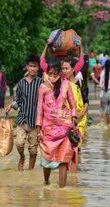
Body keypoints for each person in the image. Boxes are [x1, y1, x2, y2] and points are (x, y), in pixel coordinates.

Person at [36, 58, 77, 188]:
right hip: (48, 128)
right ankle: (46, 182)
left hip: (65, 129)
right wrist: (38, 126)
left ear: (60, 73)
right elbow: (39, 109)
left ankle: (62, 190)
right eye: (50, 74)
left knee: (64, 160)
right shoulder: (43, 87)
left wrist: (74, 118)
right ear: (47, 73)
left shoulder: (66, 85)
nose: (52, 77)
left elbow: (73, 104)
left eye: (55, 74)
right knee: (47, 158)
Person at [4, 53, 44, 171]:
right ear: (26, 67)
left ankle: (30, 171)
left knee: (33, 149)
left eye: (35, 66)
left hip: (35, 122)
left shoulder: (41, 83)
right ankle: (21, 157)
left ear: (38, 68)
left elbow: (45, 103)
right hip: (22, 119)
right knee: (19, 143)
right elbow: (19, 100)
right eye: (30, 66)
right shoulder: (21, 83)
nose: (32, 68)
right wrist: (11, 105)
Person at [62, 56, 86, 172]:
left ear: (73, 69)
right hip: (65, 120)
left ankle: (73, 177)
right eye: (63, 68)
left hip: (79, 121)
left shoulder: (80, 83)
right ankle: (67, 175)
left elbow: (86, 103)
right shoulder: (61, 84)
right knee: (66, 149)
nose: (64, 71)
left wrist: (79, 116)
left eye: (67, 68)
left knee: (75, 148)